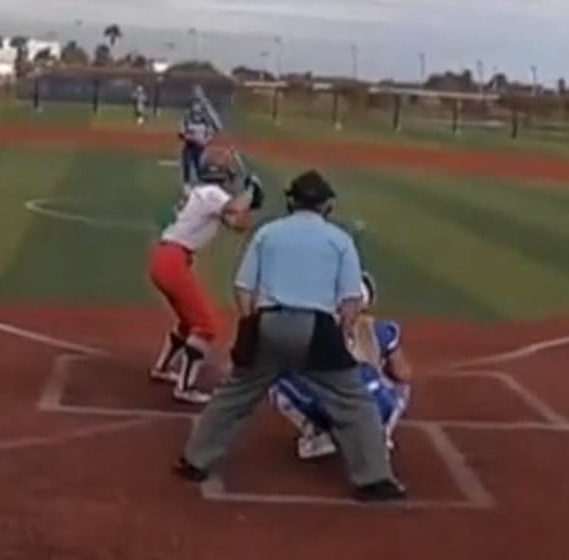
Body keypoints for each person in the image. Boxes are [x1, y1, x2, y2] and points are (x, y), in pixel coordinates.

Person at [173, 170, 406, 504]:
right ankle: (375, 479)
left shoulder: (268, 233)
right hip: (318, 328)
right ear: (326, 205)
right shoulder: (339, 240)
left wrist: (252, 325)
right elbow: (351, 301)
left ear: (291, 201)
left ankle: (194, 461)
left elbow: (243, 289)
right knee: (353, 402)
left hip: (269, 322)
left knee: (234, 396)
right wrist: (341, 334)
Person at [148, 148, 258, 403]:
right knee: (206, 326)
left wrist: (248, 205)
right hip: (173, 261)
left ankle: (162, 368)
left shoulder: (201, 194)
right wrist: (250, 193)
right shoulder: (212, 194)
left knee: (190, 321)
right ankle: (184, 387)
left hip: (166, 258)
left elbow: (238, 224)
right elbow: (233, 208)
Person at [270, 271, 411, 461]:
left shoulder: (316, 326)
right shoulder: (383, 329)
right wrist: (378, 367)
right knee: (401, 386)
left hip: (327, 408)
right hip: (372, 408)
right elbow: (403, 374)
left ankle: (318, 434)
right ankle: (381, 434)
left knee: (279, 379)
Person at [177, 97, 217, 185]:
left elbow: (211, 133)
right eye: (194, 105)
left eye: (198, 106)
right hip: (189, 147)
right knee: (187, 165)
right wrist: (191, 139)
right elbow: (181, 133)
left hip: (201, 148)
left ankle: (201, 184)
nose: (196, 107)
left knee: (200, 167)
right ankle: (187, 185)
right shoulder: (186, 118)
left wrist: (206, 141)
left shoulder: (205, 119)